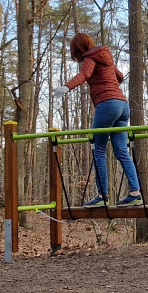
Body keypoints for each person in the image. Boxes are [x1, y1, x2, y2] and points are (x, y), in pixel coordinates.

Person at [52, 32, 143, 207]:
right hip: (123, 106)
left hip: (107, 105)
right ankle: (135, 193)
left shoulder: (90, 58)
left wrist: (66, 87)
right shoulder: (106, 58)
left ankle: (102, 195)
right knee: (122, 152)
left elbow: (84, 75)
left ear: (78, 49)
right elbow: (120, 76)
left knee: (99, 149)